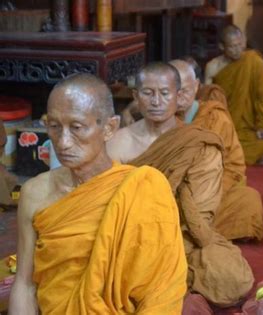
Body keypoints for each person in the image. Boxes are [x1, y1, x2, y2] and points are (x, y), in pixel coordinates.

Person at [9, 74, 188, 314]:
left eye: (76, 128)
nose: (63, 142)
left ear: (109, 128)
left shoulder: (143, 190)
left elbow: (161, 292)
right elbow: (24, 283)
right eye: (53, 126)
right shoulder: (35, 193)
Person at [106, 63, 254, 307]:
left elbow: (200, 216)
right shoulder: (118, 142)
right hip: (130, 235)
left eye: (165, 93)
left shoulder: (197, 142)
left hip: (182, 236)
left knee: (231, 278)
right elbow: (108, 202)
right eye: (148, 93)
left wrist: (167, 241)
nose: (156, 101)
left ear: (179, 96)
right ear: (135, 96)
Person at [170, 59, 263, 241]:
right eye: (174, 90)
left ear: (197, 86)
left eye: (185, 90)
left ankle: (191, 228)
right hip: (172, 193)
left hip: (212, 192)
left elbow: (234, 166)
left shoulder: (215, 117)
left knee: (249, 200)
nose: (179, 97)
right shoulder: (159, 118)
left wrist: (209, 195)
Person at [205, 24, 263, 165]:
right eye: (233, 46)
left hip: (246, 128)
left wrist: (262, 125)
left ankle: (227, 155)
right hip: (222, 123)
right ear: (222, 47)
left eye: (241, 45)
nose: (238, 50)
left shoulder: (254, 61)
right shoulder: (213, 67)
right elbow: (207, 99)